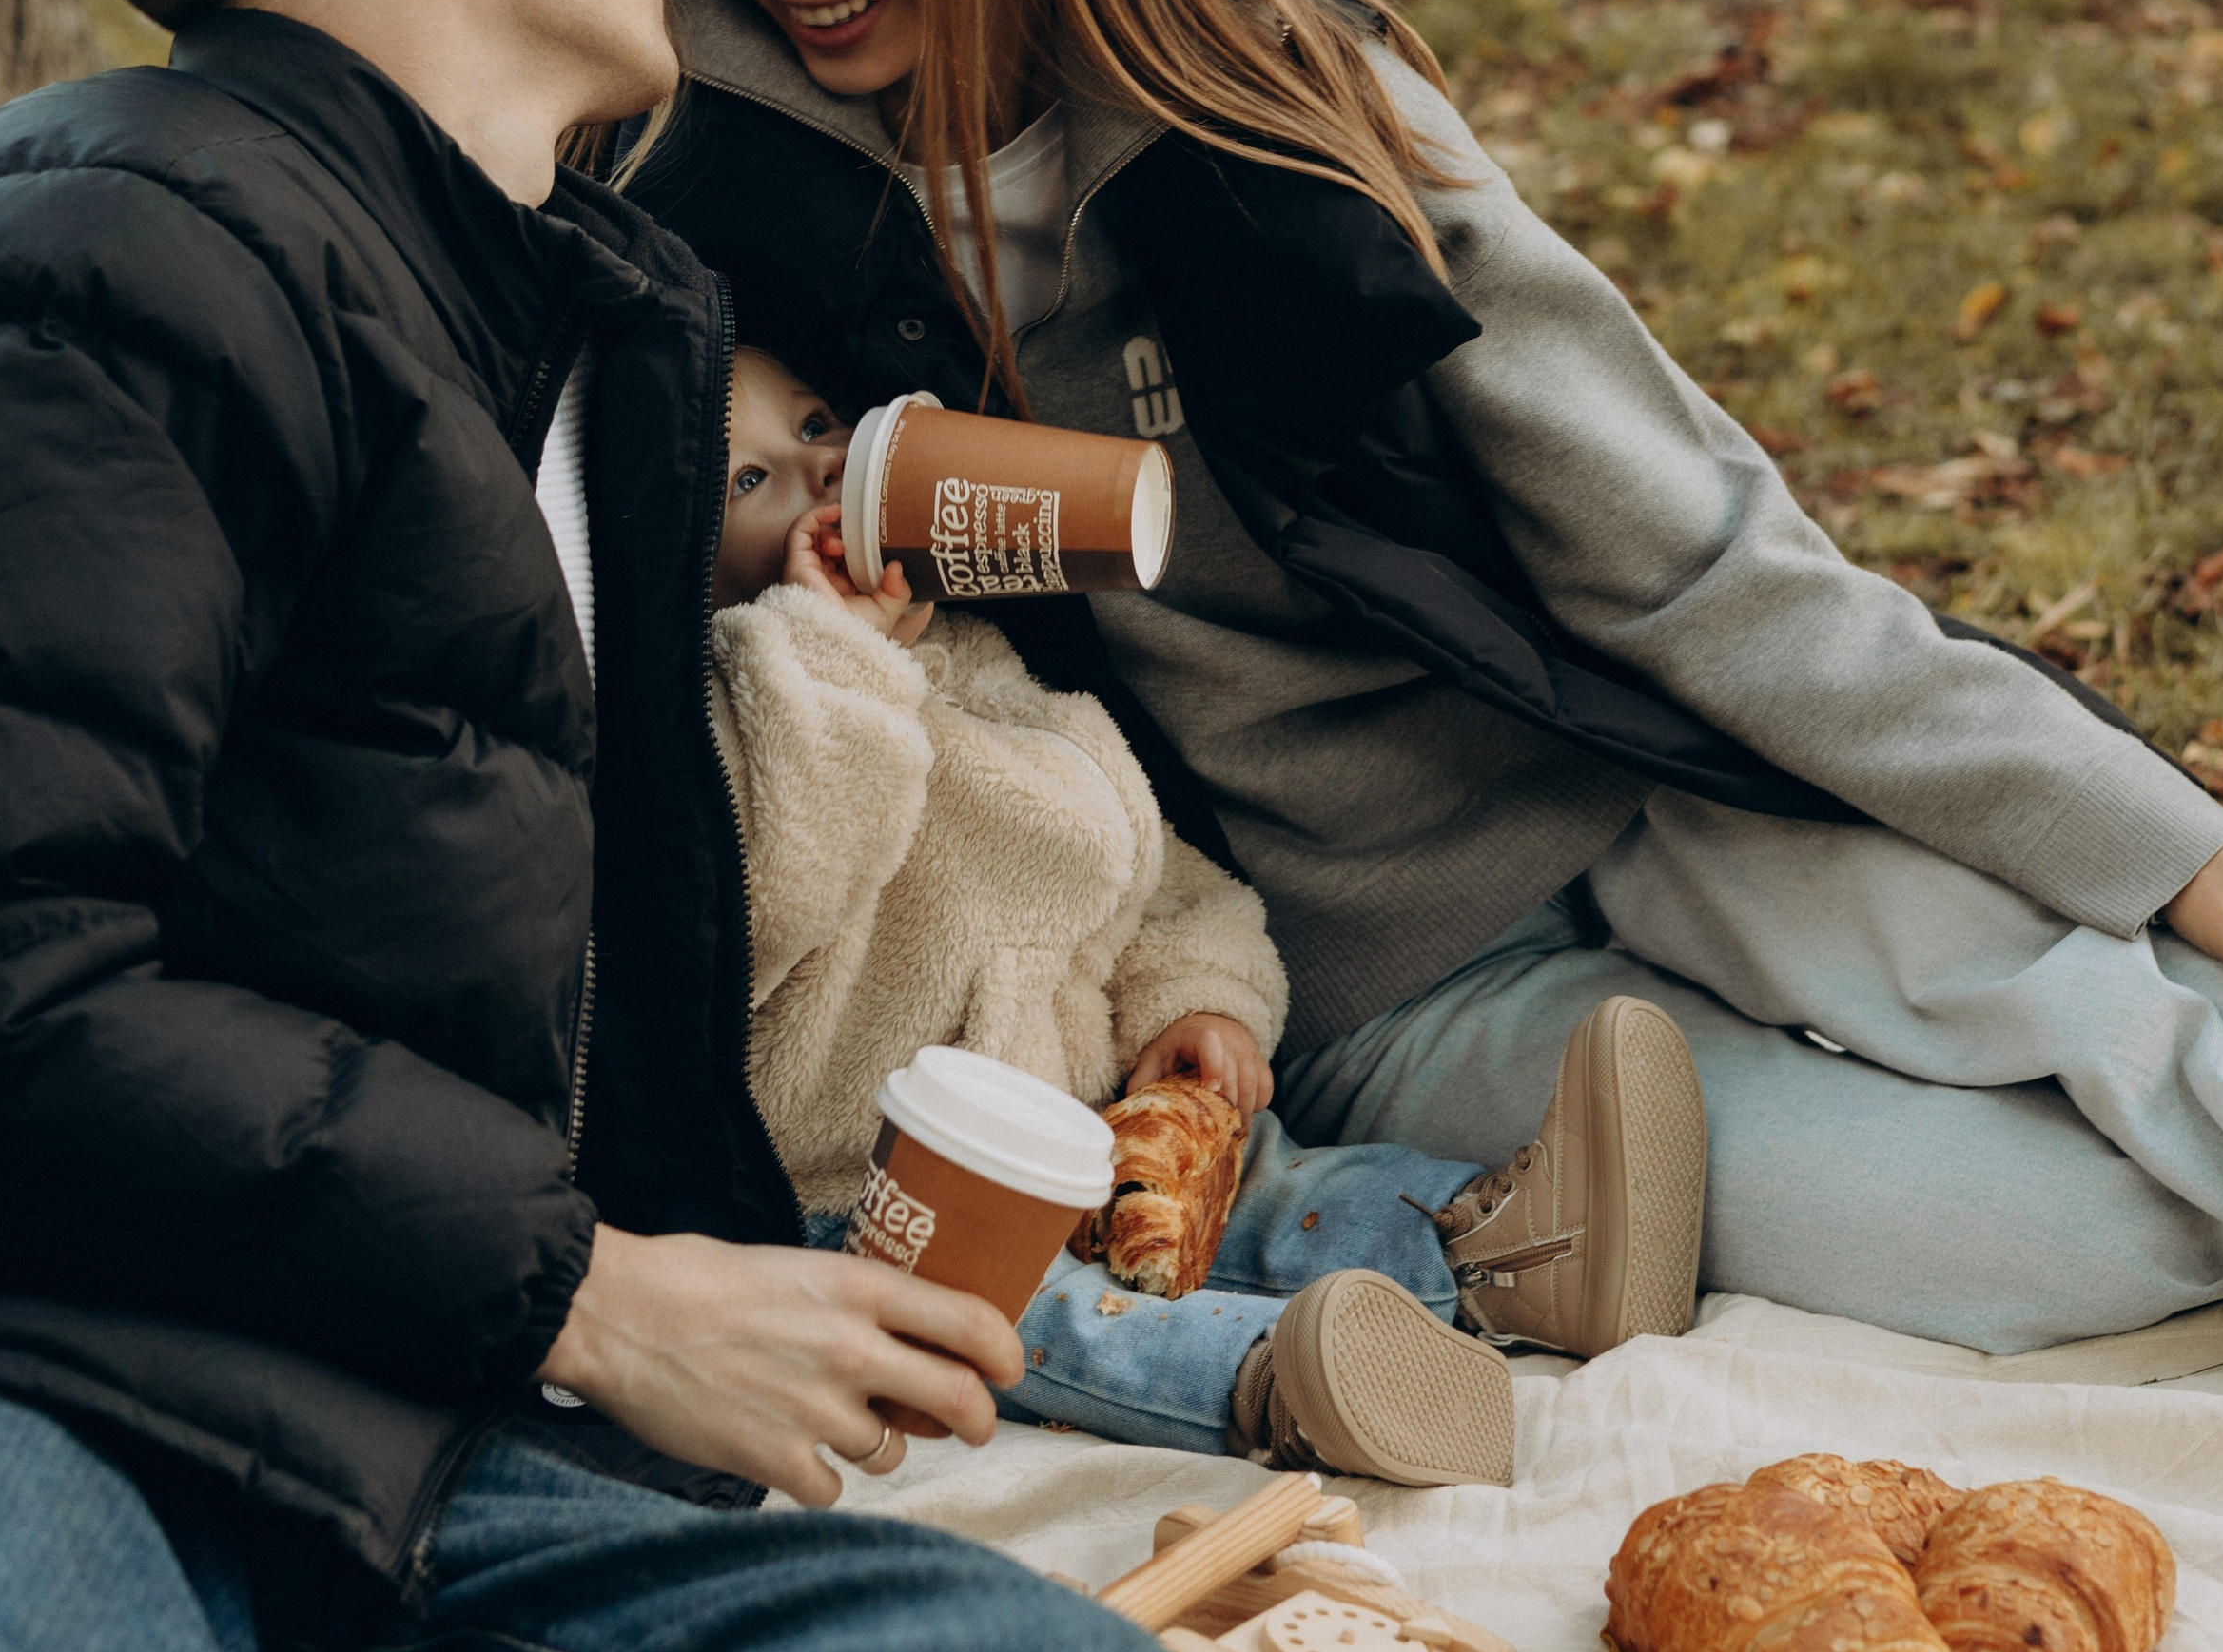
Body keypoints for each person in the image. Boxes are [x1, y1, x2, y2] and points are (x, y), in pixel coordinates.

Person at [0, 0, 1232, 1652]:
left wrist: (704, 1294)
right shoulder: (88, 255)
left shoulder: (570, 332)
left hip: (380, 1433)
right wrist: (589, 1300)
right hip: (13, 1391)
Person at [614, 0, 2223, 1360]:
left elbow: (1689, 549)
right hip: (1361, 971)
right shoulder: (699, 202)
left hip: (1630, 784)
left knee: (2195, 1016)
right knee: (2061, 1236)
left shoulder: (1280, 109)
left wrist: (2151, 835)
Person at [708, 342, 1710, 1488]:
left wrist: (1193, 1001)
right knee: (1023, 1314)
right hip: (875, 1193)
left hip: (1086, 1121)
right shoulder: (737, 723)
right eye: (750, 478)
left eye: (816, 421)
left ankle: (1512, 1246)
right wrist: (828, 651)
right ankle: (1277, 1381)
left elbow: (1143, 861)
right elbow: (773, 885)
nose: (823, 465)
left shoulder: (978, 664)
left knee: (1266, 1182)